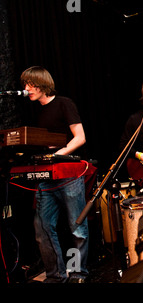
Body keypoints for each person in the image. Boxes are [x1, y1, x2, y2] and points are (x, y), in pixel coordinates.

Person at [21, 66, 89, 283]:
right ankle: (56, 276)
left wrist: (56, 156)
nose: (27, 89)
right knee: (42, 228)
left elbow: (79, 138)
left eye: (31, 84)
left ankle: (78, 273)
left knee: (77, 228)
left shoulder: (63, 103)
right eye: (25, 85)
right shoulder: (37, 111)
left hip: (68, 176)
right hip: (46, 178)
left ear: (42, 84)